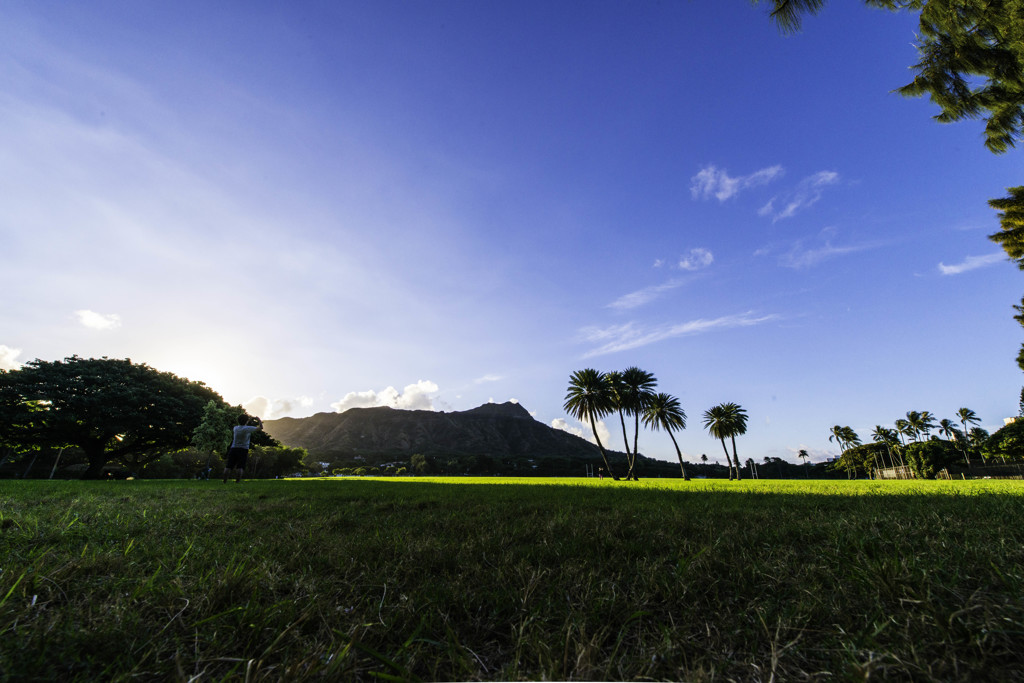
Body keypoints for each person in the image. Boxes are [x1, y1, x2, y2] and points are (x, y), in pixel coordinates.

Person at [223, 414, 263, 483]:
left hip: (234, 448)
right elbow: (261, 427)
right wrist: (258, 420)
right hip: (243, 449)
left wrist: (248, 420)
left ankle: (224, 481)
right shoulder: (248, 429)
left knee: (228, 466)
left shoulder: (235, 428)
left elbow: (243, 424)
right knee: (240, 466)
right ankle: (237, 481)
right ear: (246, 421)